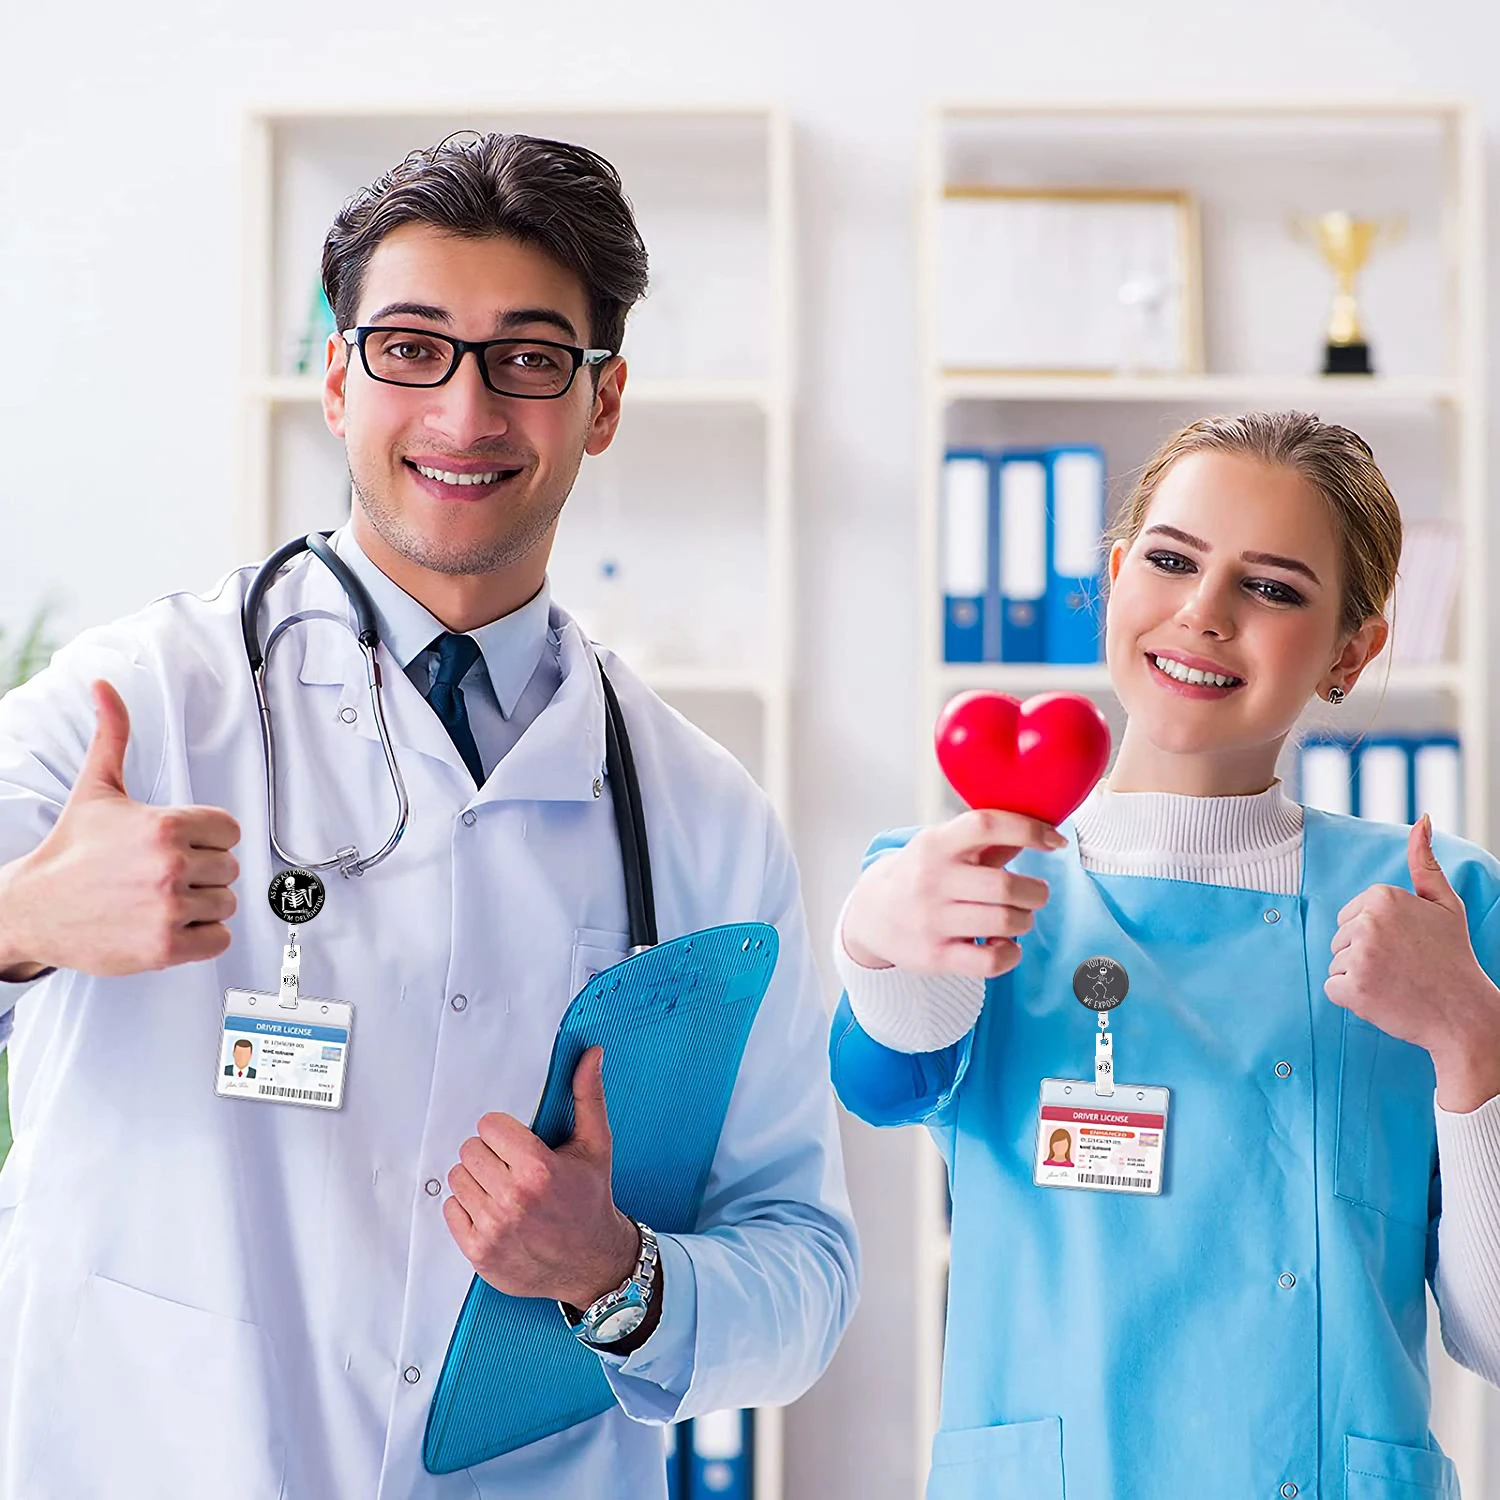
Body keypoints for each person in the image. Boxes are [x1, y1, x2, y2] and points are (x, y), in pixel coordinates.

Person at [0, 132, 857, 1500]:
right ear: (337, 379)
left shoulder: (701, 814)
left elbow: (805, 1272)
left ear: (604, 401)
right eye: (410, 348)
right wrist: (21, 924)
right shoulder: (141, 703)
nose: (464, 415)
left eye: (527, 358)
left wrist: (617, 1277)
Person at [829, 413, 1500, 1500]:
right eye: (1172, 560)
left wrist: (1473, 1037)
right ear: (1114, 576)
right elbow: (881, 1071)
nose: (1203, 612)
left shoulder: (1437, 910)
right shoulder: (965, 881)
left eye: (1273, 588)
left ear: (1353, 649)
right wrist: (870, 937)